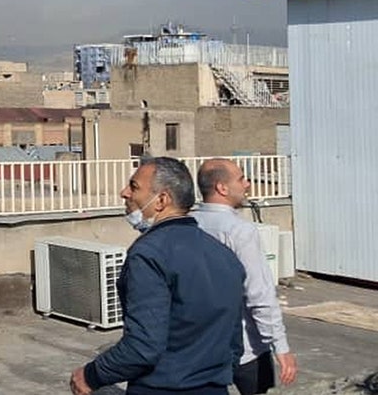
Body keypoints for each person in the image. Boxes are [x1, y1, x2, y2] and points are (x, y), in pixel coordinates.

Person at [70, 157, 245, 395]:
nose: (124, 193)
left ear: (162, 200)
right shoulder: (225, 255)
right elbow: (234, 345)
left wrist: (91, 375)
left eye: (134, 187)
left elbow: (143, 347)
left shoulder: (149, 254)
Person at [193, 158, 298, 394]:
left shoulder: (189, 224)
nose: (248, 184)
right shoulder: (239, 231)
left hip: (200, 345)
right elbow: (259, 294)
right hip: (245, 346)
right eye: (241, 179)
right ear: (222, 187)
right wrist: (280, 346)